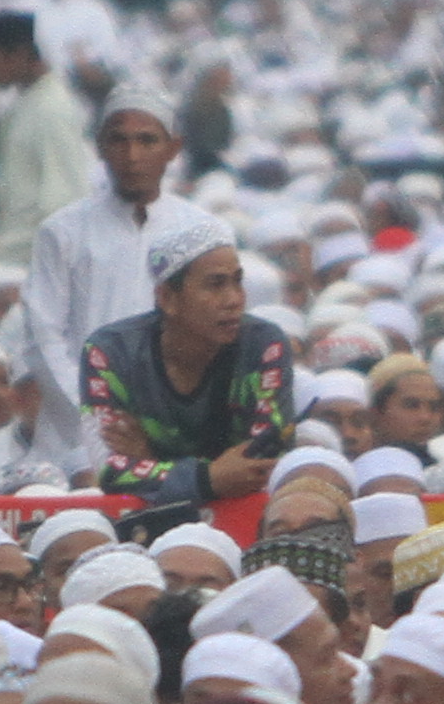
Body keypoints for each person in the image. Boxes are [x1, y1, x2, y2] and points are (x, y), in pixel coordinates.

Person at [78, 209, 291, 519]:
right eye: (215, 285)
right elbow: (110, 471)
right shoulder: (111, 352)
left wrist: (151, 459)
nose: (234, 299)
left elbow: (262, 465)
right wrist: (209, 478)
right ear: (167, 298)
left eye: (237, 282)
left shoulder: (263, 345)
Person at [14, 85, 184, 427]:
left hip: (172, 422)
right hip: (76, 426)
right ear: (100, 147)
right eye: (118, 141)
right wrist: (91, 411)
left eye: (147, 141)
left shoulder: (201, 230)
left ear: (172, 149)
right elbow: (43, 336)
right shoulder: (63, 231)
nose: (132, 155)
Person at [0, 14, 91, 260]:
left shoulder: (52, 108)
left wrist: (7, 247)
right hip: (11, 251)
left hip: (35, 261)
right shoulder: (23, 104)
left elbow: (64, 200)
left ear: (19, 55)